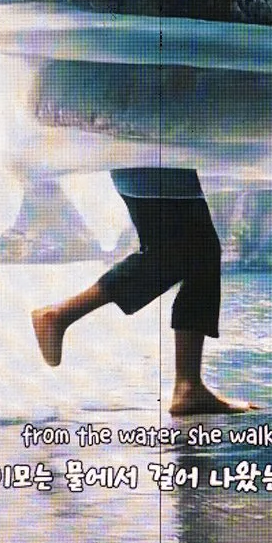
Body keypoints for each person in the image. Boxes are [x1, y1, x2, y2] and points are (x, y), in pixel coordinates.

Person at [31, 165, 244, 417]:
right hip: (155, 153)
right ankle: (59, 314)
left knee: (198, 252)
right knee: (179, 253)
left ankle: (189, 387)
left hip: (154, 155)